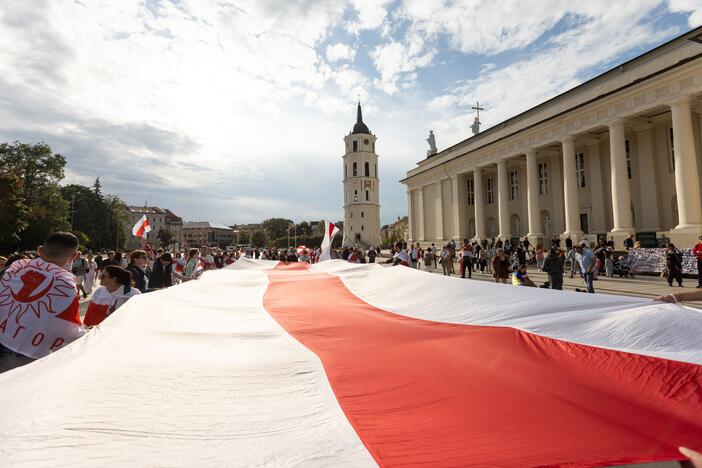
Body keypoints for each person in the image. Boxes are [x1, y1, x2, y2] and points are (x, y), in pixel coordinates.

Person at [0, 232, 85, 371]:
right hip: (25, 354)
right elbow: (69, 326)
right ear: (73, 257)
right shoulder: (66, 286)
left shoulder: (13, 269)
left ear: (39, 250)